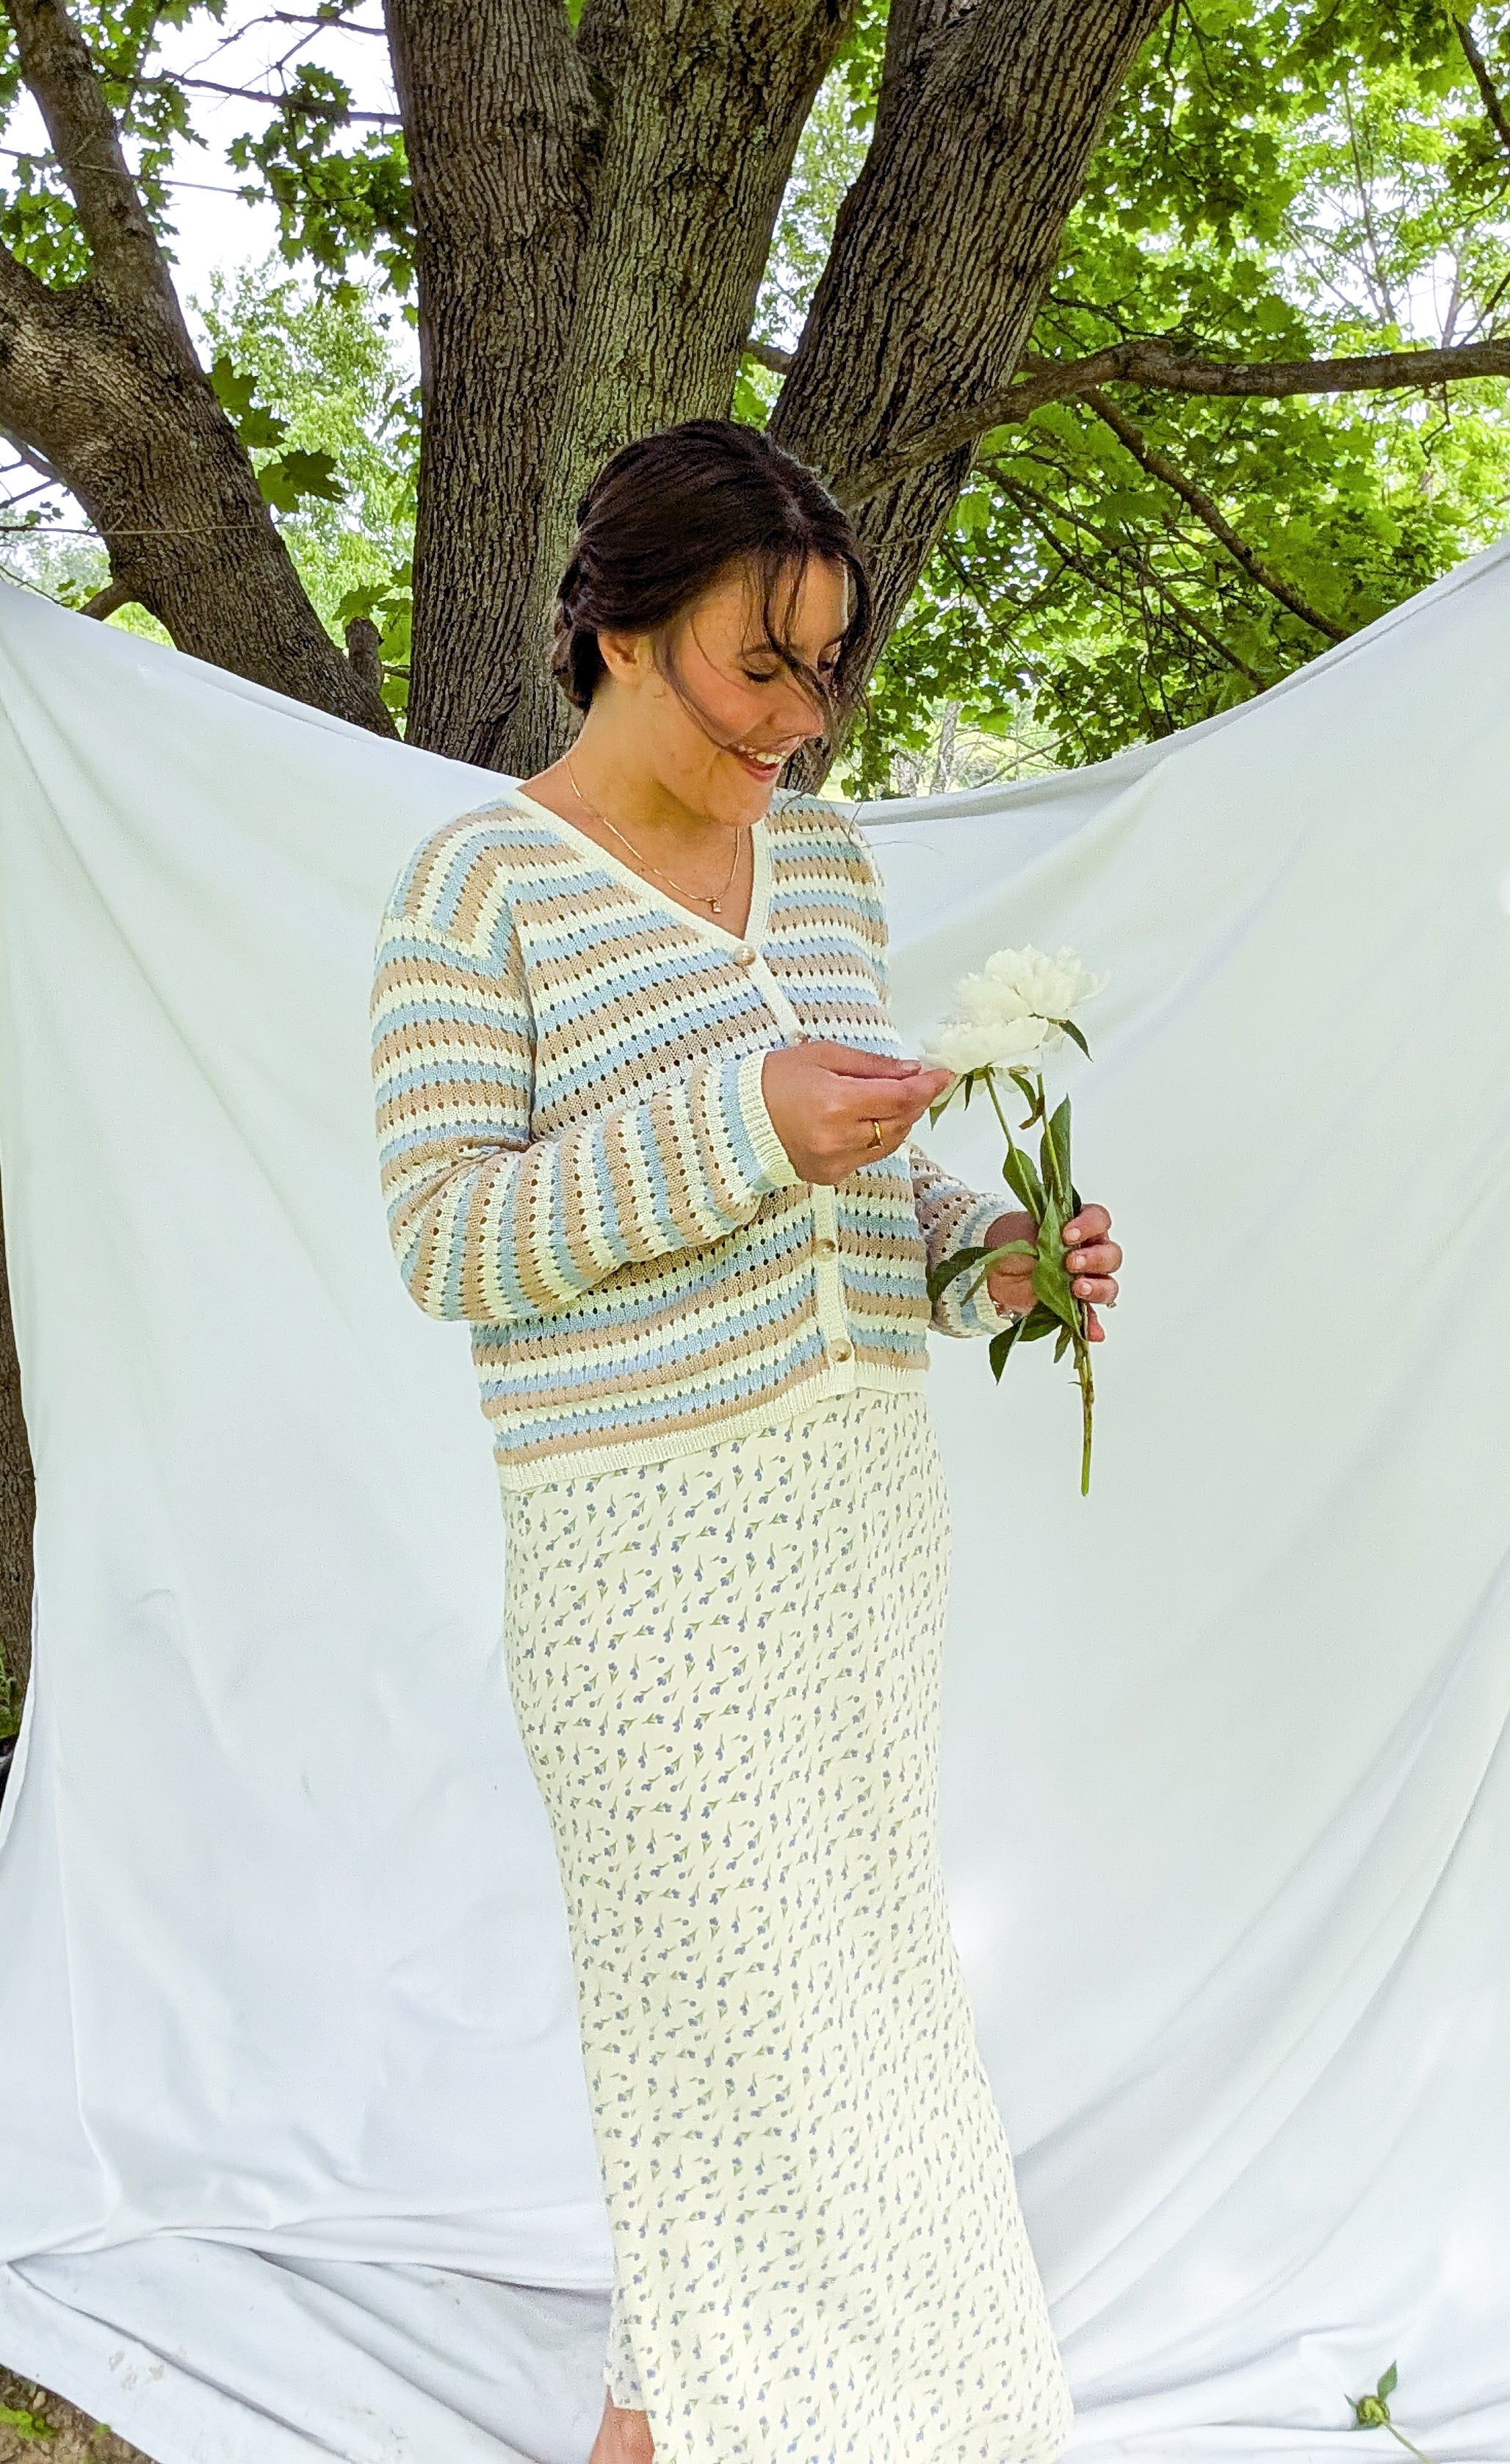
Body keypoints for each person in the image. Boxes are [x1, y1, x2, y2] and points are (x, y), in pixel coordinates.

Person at [370, 419, 1122, 2464]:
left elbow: (859, 1188)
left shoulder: (836, 865)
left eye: (823, 668)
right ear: (617, 633)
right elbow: (449, 1236)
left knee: (852, 2015)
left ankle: (672, 2415)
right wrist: (740, 1124)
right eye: (754, 664)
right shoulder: (482, 888)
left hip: (856, 1526)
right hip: (641, 1555)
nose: (797, 720)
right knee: (725, 2032)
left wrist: (993, 1263)